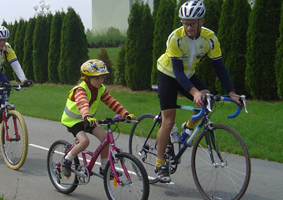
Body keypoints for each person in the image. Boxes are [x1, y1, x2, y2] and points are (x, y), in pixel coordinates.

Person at [154, 0, 241, 183]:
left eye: (192, 23)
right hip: (168, 74)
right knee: (168, 121)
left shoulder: (210, 39)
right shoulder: (175, 38)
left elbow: (220, 67)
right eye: (185, 23)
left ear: (201, 21)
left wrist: (232, 92)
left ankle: (189, 127)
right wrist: (194, 92)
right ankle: (160, 163)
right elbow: (177, 72)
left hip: (188, 73)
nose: (188, 27)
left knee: (207, 99)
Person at [60, 59, 135, 177]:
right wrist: (87, 116)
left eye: (102, 77)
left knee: (105, 138)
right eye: (97, 78)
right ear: (87, 78)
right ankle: (67, 161)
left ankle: (105, 168)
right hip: (73, 121)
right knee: (84, 141)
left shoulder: (100, 88)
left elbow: (111, 102)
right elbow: (82, 103)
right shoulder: (80, 89)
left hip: (87, 120)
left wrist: (124, 113)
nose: (100, 81)